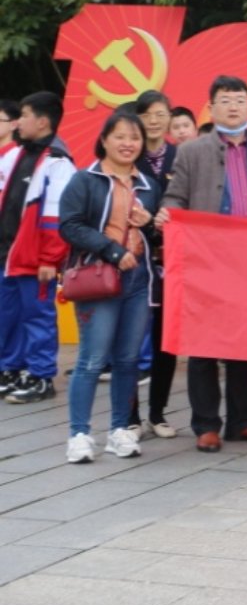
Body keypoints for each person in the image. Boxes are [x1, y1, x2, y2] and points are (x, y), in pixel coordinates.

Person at [161, 76, 247, 451]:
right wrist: (167, 214)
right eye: (226, 100)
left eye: (240, 100)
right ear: (212, 107)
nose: (234, 106)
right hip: (207, 260)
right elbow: (174, 197)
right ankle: (206, 424)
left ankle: (242, 421)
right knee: (204, 344)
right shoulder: (192, 151)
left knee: (246, 342)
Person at [57, 110, 160, 463]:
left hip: (138, 280)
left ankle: (119, 430)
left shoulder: (148, 185)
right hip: (98, 278)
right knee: (92, 359)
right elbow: (69, 225)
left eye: (134, 138)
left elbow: (159, 237)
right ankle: (79, 434)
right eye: (120, 136)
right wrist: (112, 251)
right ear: (104, 140)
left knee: (128, 360)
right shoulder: (85, 180)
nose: (128, 144)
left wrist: (149, 224)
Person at [0, 93, 75, 405]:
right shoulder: (17, 154)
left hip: (35, 258)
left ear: (42, 121)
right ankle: (11, 369)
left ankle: (41, 376)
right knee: (9, 313)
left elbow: (56, 215)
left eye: (25, 115)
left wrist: (49, 258)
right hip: (9, 253)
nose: (19, 122)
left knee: (37, 315)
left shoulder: (58, 161)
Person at [131, 90, 179, 438]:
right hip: (136, 259)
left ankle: (158, 414)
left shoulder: (181, 156)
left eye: (161, 114)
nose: (154, 121)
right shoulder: (129, 157)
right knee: (131, 341)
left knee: (166, 340)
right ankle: (129, 416)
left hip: (173, 261)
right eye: (147, 115)